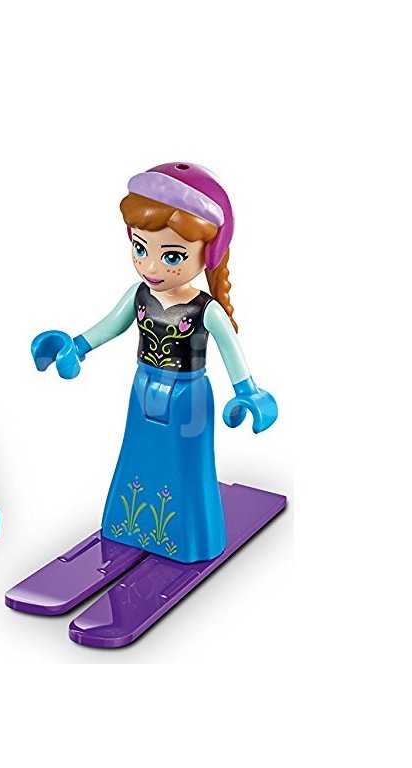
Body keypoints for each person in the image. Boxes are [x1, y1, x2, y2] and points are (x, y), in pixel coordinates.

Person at [31, 163, 277, 563]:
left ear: (209, 254)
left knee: (187, 466)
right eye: (141, 249)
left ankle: (191, 539)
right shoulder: (139, 295)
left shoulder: (206, 309)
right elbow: (109, 326)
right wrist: (76, 346)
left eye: (172, 255)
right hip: (142, 387)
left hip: (188, 397)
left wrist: (247, 392)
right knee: (137, 455)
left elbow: (231, 350)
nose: (150, 267)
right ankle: (128, 526)